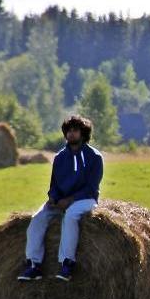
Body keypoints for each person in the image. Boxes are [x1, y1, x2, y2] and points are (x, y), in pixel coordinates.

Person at [18, 115, 104, 282]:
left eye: (75, 130)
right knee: (37, 219)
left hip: (86, 200)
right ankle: (34, 265)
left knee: (71, 216)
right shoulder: (59, 157)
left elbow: (91, 187)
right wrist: (54, 199)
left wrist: (70, 200)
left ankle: (67, 263)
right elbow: (54, 185)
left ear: (83, 133)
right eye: (69, 130)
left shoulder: (95, 157)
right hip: (61, 201)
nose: (71, 134)